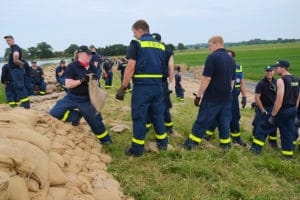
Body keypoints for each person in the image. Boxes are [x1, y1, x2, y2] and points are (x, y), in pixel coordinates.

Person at [115, 19, 168, 156]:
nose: (134, 35)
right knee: (158, 115)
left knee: (139, 117)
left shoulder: (137, 43)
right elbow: (164, 68)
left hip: (143, 87)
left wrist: (123, 87)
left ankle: (137, 150)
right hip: (158, 87)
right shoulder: (160, 46)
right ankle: (163, 144)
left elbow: (130, 67)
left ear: (140, 30)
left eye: (134, 32)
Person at [49, 45, 113, 144]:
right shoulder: (72, 66)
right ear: (80, 54)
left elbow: (95, 83)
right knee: (54, 113)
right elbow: (68, 84)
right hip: (72, 97)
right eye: (87, 54)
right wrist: (81, 80)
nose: (90, 56)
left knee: (96, 123)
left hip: (86, 99)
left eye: (91, 54)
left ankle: (106, 141)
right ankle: (76, 116)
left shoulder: (92, 67)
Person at [182, 35, 236, 150]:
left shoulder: (212, 57)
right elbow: (232, 81)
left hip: (213, 97)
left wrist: (198, 96)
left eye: (209, 45)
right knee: (224, 123)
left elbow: (206, 79)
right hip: (227, 97)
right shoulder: (231, 59)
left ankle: (190, 145)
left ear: (216, 43)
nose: (208, 48)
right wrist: (228, 92)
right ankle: (226, 146)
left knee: (202, 120)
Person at [250, 60, 299, 159]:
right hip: (292, 109)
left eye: (277, 67)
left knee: (263, 127)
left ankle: (255, 150)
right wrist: (295, 109)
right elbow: (298, 96)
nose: (275, 69)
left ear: (283, 68)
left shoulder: (281, 80)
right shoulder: (296, 79)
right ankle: (287, 155)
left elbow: (279, 98)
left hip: (283, 110)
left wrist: (273, 115)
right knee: (287, 132)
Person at [204, 50, 247, 147]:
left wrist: (244, 96)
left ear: (233, 58)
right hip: (221, 96)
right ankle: (207, 135)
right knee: (217, 116)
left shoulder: (239, 68)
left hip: (234, 97)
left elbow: (242, 83)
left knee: (235, 117)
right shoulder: (219, 67)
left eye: (229, 57)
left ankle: (236, 138)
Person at [146, 33, 174, 134]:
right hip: (162, 82)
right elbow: (171, 66)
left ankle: (148, 125)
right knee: (164, 104)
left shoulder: (148, 51)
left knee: (149, 104)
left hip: (149, 82)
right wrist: (171, 82)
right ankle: (168, 126)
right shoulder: (167, 52)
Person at [252, 65, 279, 149]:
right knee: (259, 125)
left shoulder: (277, 82)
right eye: (267, 71)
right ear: (265, 72)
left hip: (273, 108)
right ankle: (256, 143)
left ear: (274, 72)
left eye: (270, 71)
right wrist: (262, 109)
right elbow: (257, 97)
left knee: (273, 126)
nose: (269, 73)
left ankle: (273, 143)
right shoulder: (261, 83)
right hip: (263, 108)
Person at [4, 35, 30, 108]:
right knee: (19, 87)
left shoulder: (14, 47)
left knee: (20, 87)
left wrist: (16, 61)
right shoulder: (13, 48)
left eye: (9, 40)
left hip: (16, 71)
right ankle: (24, 103)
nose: (7, 42)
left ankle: (26, 105)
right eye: (7, 41)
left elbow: (16, 54)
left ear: (13, 40)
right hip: (16, 71)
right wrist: (21, 63)